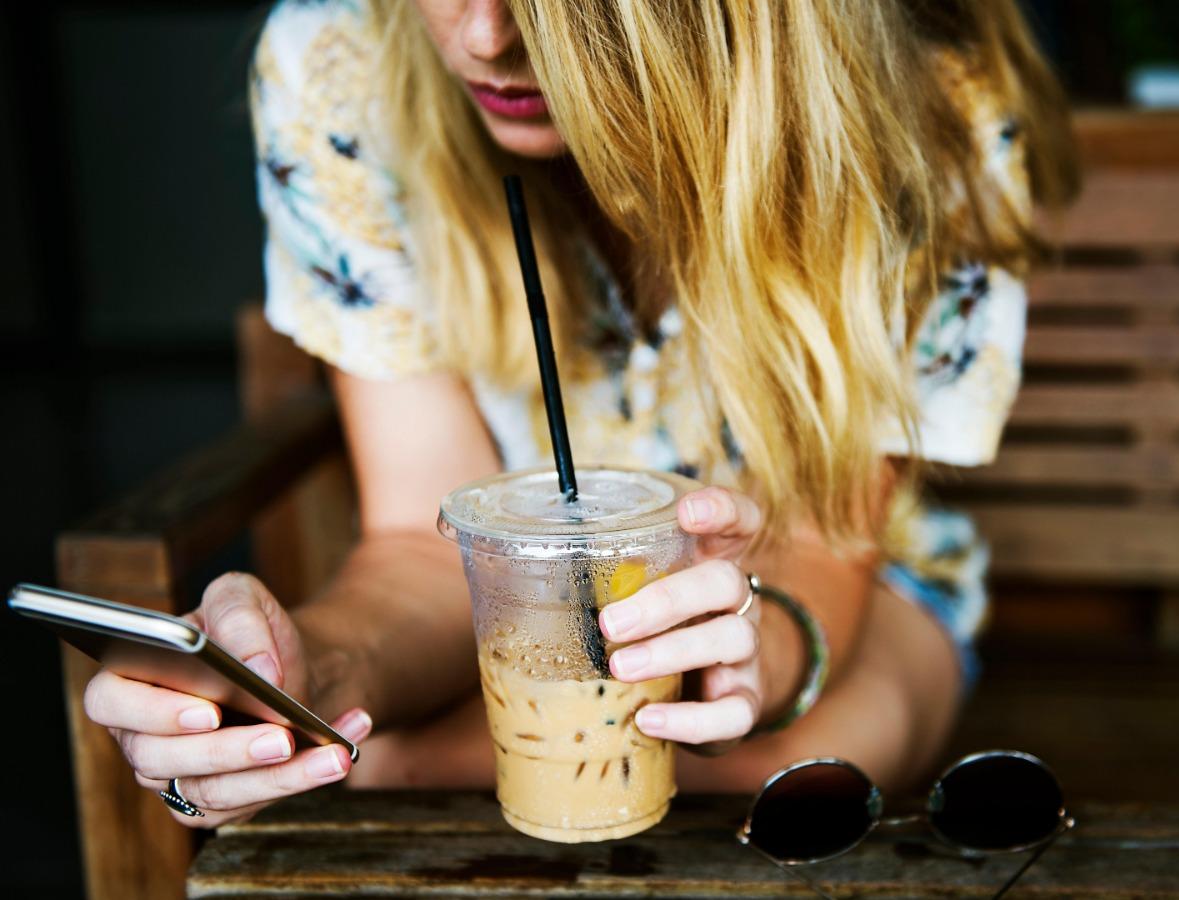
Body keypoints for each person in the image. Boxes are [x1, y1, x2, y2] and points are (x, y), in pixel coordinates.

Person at [83, 0, 1078, 827]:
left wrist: (747, 657)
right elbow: (423, 546)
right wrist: (309, 671)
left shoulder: (929, 111)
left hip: (835, 589)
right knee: (612, 770)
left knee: (806, 761)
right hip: (520, 618)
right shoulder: (341, 68)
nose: (483, 36)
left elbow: (827, 544)